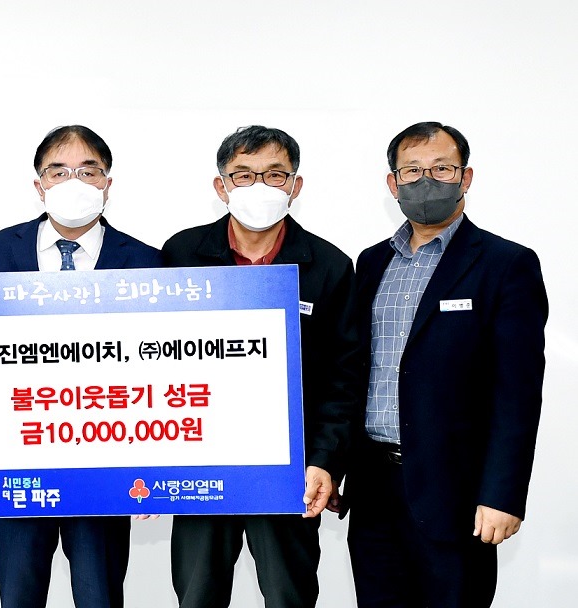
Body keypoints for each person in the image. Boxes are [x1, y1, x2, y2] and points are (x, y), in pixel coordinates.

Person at [342, 121, 548, 607]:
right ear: (393, 183)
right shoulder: (371, 263)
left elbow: (517, 395)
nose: (426, 180)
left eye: (441, 168)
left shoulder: (505, 264)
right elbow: (352, 372)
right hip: (374, 489)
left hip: (457, 493)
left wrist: (502, 495)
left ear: (466, 177)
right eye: (412, 170)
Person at [160, 125, 358, 608]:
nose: (259, 186)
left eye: (274, 175)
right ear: (221, 186)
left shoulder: (329, 265)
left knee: (289, 595)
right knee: (198, 595)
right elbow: (151, 359)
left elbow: (344, 377)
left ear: (295, 185)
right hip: (200, 465)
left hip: (289, 470)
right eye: (244, 175)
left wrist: (325, 460)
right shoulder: (180, 254)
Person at [0, 125, 159, 608]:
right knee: (19, 596)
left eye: (88, 171)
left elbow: (157, 368)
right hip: (18, 459)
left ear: (108, 183)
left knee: (100, 596)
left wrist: (157, 465)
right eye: (58, 172)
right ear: (39, 185)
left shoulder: (145, 260)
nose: (73, 182)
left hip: (107, 462)